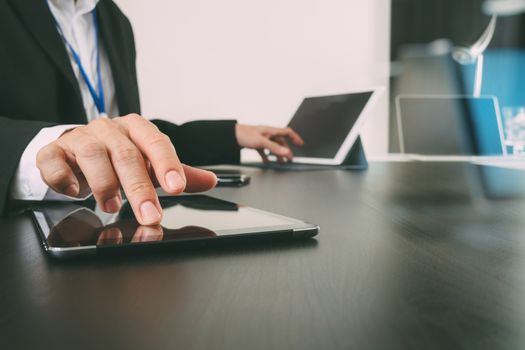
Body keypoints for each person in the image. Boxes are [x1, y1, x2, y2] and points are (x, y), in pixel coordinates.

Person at [0, 0, 304, 225]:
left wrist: (233, 134)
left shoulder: (114, 19)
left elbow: (128, 136)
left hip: (110, 227)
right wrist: (47, 149)